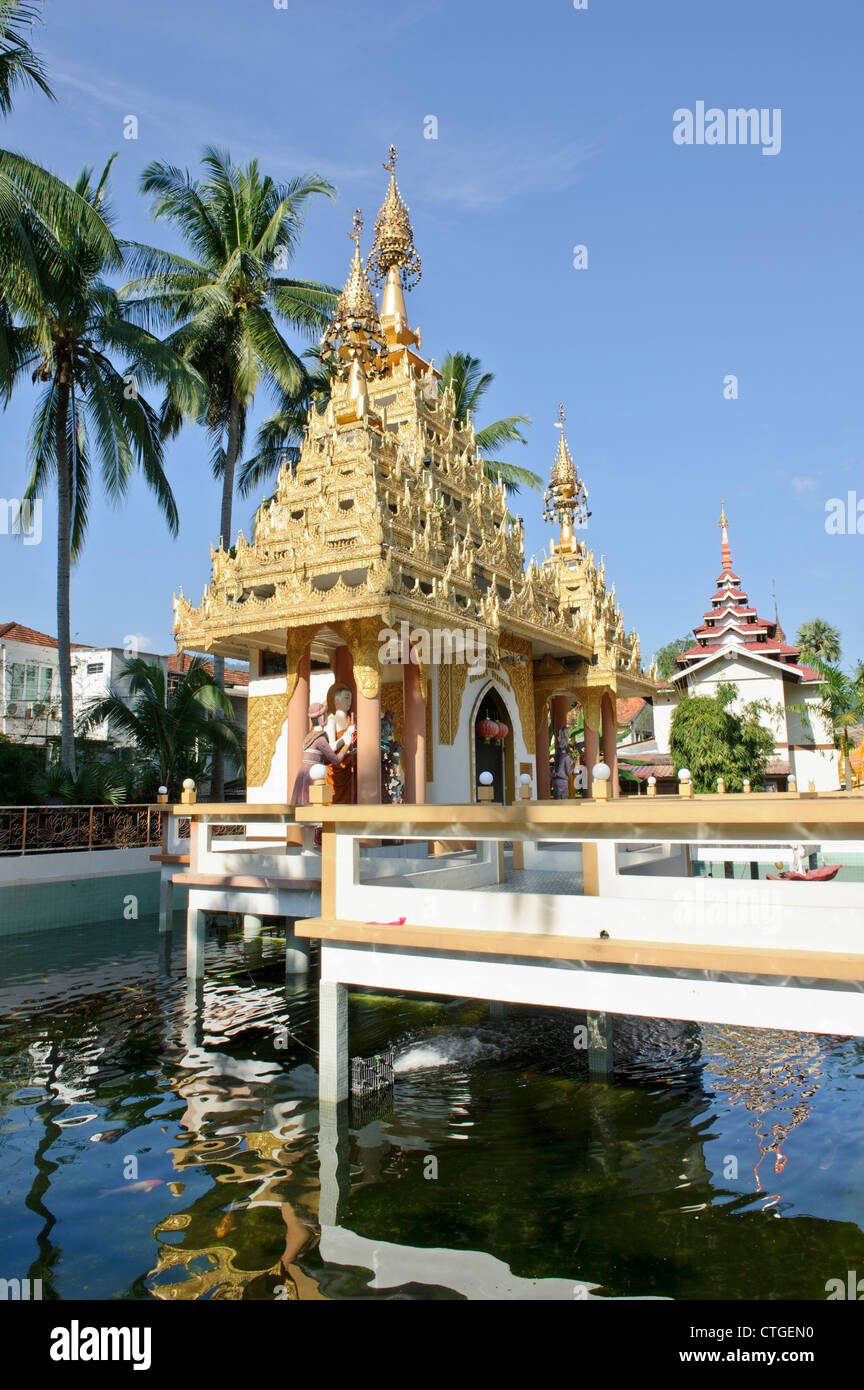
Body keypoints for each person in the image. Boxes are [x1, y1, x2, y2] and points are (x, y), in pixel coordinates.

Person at [290, 702, 354, 805]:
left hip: (303, 775)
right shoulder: (320, 739)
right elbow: (336, 760)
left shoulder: (309, 737)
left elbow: (323, 760)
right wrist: (346, 744)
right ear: (322, 718)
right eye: (325, 714)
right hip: (312, 778)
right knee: (312, 806)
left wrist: (344, 738)